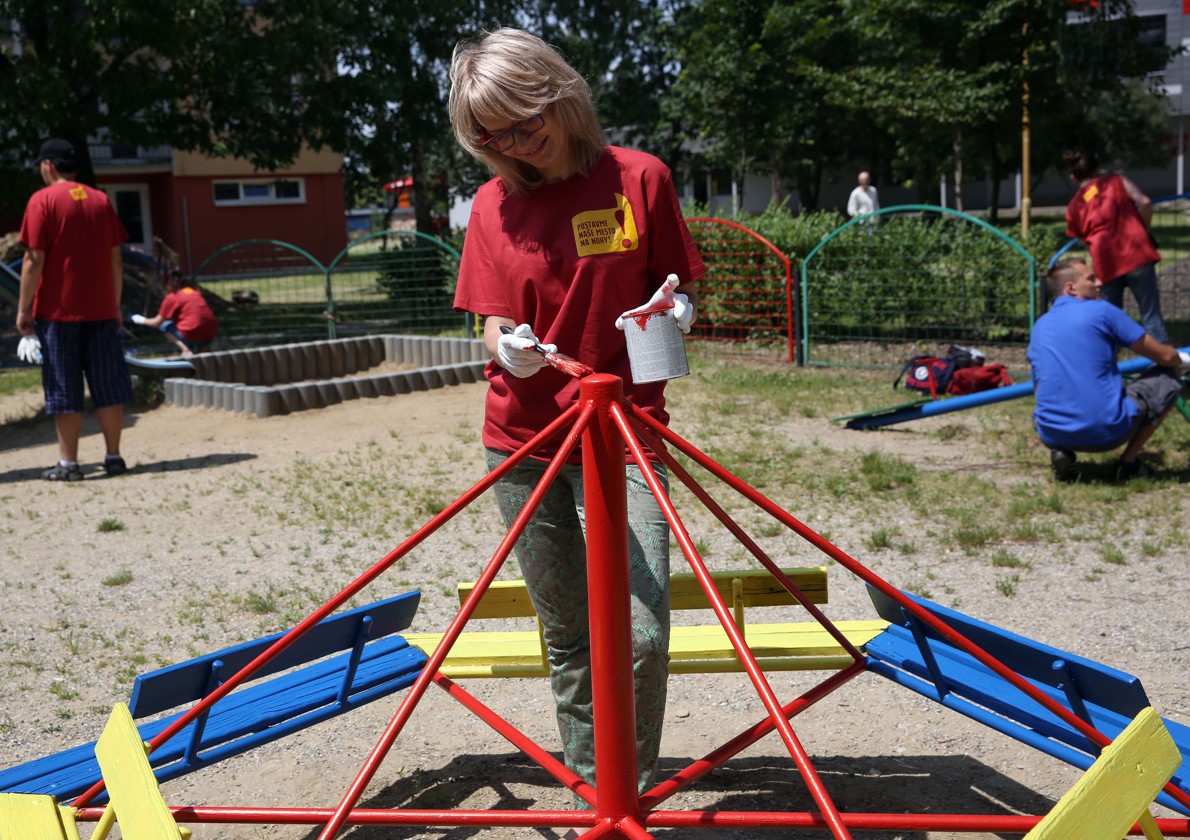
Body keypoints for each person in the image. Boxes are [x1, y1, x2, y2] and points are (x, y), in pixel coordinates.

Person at [448, 27, 704, 802]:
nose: (517, 145)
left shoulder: (641, 178)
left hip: (625, 437)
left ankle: (630, 788)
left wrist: (678, 310)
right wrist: (509, 348)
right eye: (493, 134)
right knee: (568, 638)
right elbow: (491, 321)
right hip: (523, 443)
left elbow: (679, 284)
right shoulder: (494, 205)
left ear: (557, 93)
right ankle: (602, 797)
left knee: (640, 636)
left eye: (524, 122)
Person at [16, 138, 132, 481]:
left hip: (58, 311)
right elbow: (116, 260)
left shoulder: (42, 201)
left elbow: (33, 259)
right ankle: (114, 457)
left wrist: (24, 308)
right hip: (101, 309)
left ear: (48, 165)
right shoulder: (100, 200)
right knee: (108, 385)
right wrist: (115, 304)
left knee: (63, 387)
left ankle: (69, 464)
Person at [1027, 258, 1186, 482]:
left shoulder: (1040, 325)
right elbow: (1166, 356)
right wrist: (1181, 359)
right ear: (1070, 288)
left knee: (1050, 401)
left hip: (1051, 431)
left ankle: (1061, 452)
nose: (1100, 282)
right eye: (1091, 278)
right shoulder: (1101, 311)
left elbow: (1037, 387)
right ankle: (1128, 463)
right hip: (1108, 432)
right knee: (1170, 375)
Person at [1063, 150, 1168, 343]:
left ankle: (1108, 365)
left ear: (1073, 177)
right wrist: (1142, 230)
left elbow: (1083, 237)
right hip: (1137, 253)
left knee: (1110, 319)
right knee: (1150, 314)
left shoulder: (1074, 207)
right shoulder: (1115, 182)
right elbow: (1144, 202)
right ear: (1097, 170)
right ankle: (1162, 366)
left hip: (1106, 264)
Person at [131, 270, 218, 356]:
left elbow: (156, 323)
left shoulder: (172, 297)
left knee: (164, 326)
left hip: (192, 333)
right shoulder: (193, 292)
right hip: (211, 332)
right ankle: (205, 349)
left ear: (169, 285)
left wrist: (139, 319)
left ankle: (186, 350)